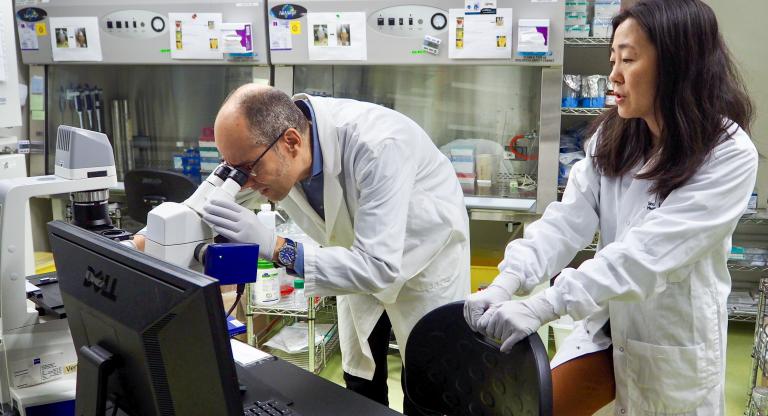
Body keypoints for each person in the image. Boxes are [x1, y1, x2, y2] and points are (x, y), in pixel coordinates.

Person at [464, 0, 757, 414]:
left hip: (668, 337)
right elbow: (565, 223)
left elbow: (647, 255)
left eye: (629, 59)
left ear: (677, 64)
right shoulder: (615, 138)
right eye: (612, 58)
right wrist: (506, 282)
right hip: (607, 325)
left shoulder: (726, 154)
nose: (613, 75)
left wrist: (545, 304)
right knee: (533, 408)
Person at [202, 84, 470, 414]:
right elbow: (205, 204)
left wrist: (277, 247)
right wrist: (147, 239)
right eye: (234, 170)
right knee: (359, 378)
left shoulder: (379, 145)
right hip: (355, 257)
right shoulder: (269, 150)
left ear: (291, 142)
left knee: (430, 388)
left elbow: (378, 267)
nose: (245, 182)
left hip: (424, 261)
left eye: (248, 169)